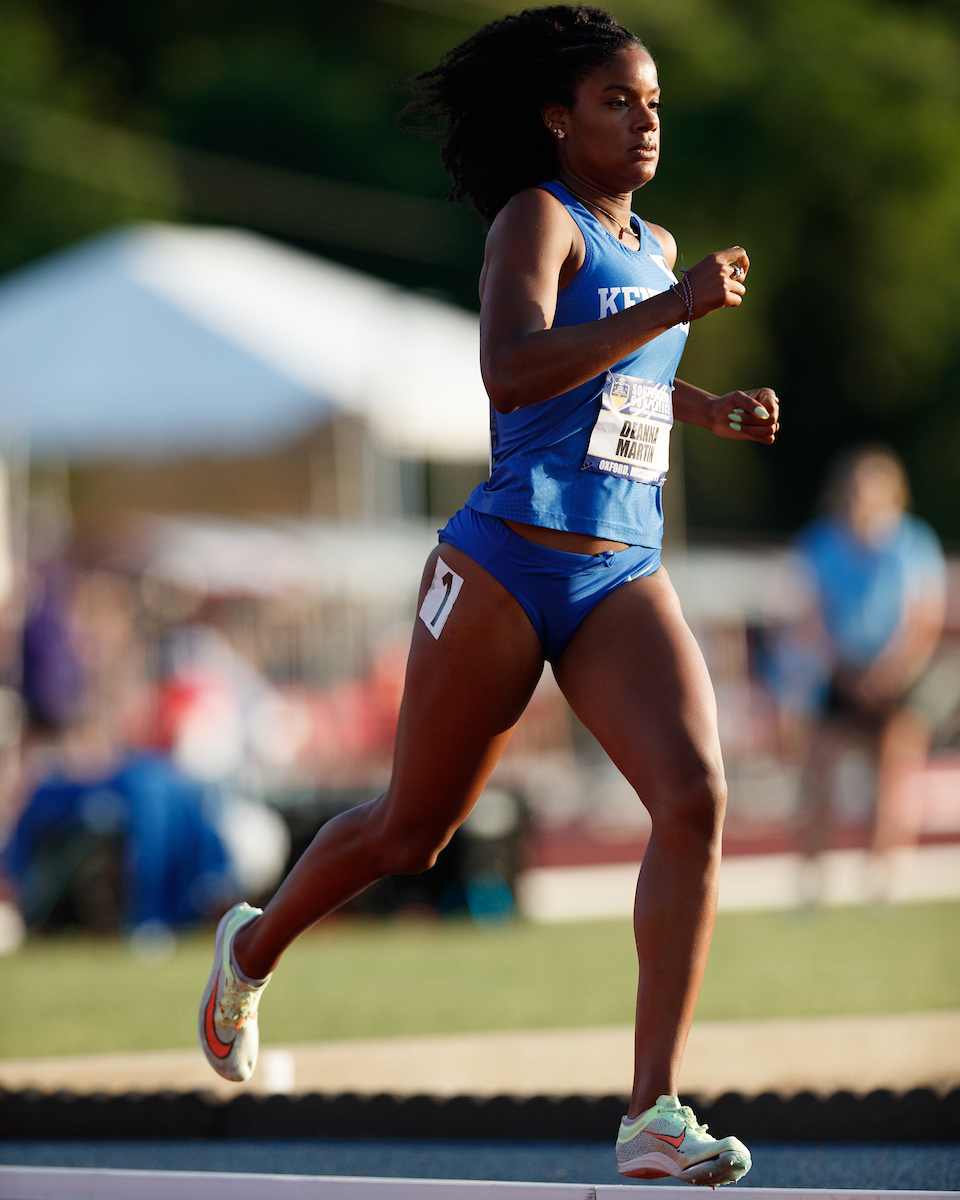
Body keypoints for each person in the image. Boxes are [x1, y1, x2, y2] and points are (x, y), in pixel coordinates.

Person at [198, 6, 779, 1185]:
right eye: (617, 100)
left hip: (620, 570)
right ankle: (250, 951)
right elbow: (512, 372)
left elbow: (619, 379)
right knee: (412, 834)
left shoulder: (658, 247)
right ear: (558, 119)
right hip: (503, 565)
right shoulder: (538, 220)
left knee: (695, 795)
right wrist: (676, 308)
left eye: (653, 102)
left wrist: (704, 406)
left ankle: (653, 1113)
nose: (645, 120)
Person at [789, 447, 948, 901]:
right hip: (840, 671)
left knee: (895, 766)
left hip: (899, 673)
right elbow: (810, 616)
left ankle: (883, 876)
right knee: (817, 768)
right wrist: (843, 671)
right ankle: (812, 878)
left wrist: (888, 672)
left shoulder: (913, 543)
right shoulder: (820, 543)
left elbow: (924, 619)